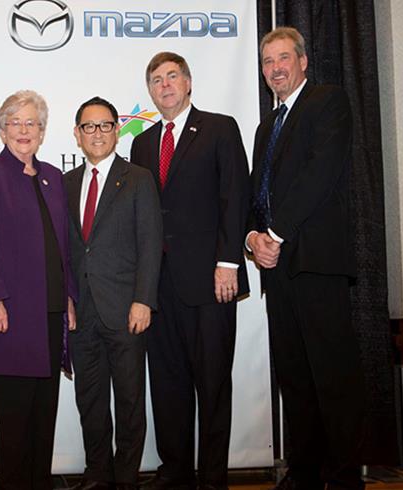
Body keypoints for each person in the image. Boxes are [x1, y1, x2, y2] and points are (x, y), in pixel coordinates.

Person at [247, 27, 364, 490]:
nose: (275, 68)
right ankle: (305, 471)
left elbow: (320, 174)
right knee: (295, 376)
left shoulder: (327, 102)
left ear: (303, 62)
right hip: (277, 270)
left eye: (283, 58)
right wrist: (253, 237)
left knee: (333, 376)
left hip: (317, 263)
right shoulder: (265, 127)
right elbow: (258, 194)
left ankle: (343, 477)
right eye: (267, 62)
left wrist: (274, 233)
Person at [130, 52, 250, 490]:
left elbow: (235, 197)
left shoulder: (219, 128)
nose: (165, 85)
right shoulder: (142, 143)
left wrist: (228, 263)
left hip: (210, 282)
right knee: (167, 385)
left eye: (172, 76)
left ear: (189, 82)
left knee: (213, 384)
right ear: (150, 90)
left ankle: (213, 478)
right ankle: (175, 471)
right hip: (158, 287)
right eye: (157, 79)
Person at [0, 90, 77, 490]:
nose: (24, 130)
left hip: (49, 316)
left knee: (44, 414)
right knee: (14, 420)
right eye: (16, 122)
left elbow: (63, 245)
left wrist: (68, 298)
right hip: (9, 316)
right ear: (1, 129)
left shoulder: (53, 177)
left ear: (43, 132)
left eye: (32, 123)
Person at [64, 97, 162, 490]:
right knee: (90, 403)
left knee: (129, 403)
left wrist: (143, 300)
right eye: (89, 127)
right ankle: (98, 475)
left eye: (105, 125)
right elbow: (64, 249)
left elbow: (150, 244)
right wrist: (66, 299)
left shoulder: (137, 178)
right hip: (82, 315)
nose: (97, 133)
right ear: (77, 134)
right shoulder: (66, 183)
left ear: (117, 131)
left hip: (126, 311)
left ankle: (125, 480)